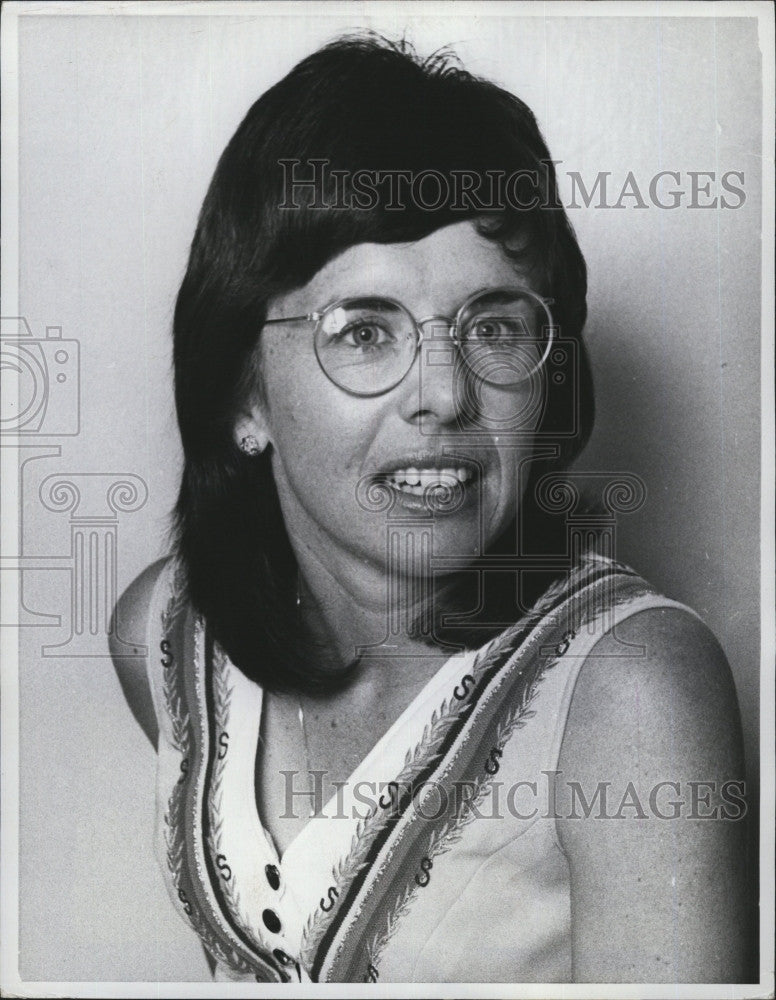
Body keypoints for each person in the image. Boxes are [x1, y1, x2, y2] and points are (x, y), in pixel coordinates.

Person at [111, 35, 748, 984]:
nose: (445, 395)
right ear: (245, 399)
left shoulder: (632, 690)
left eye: (493, 325)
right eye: (365, 332)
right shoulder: (164, 631)